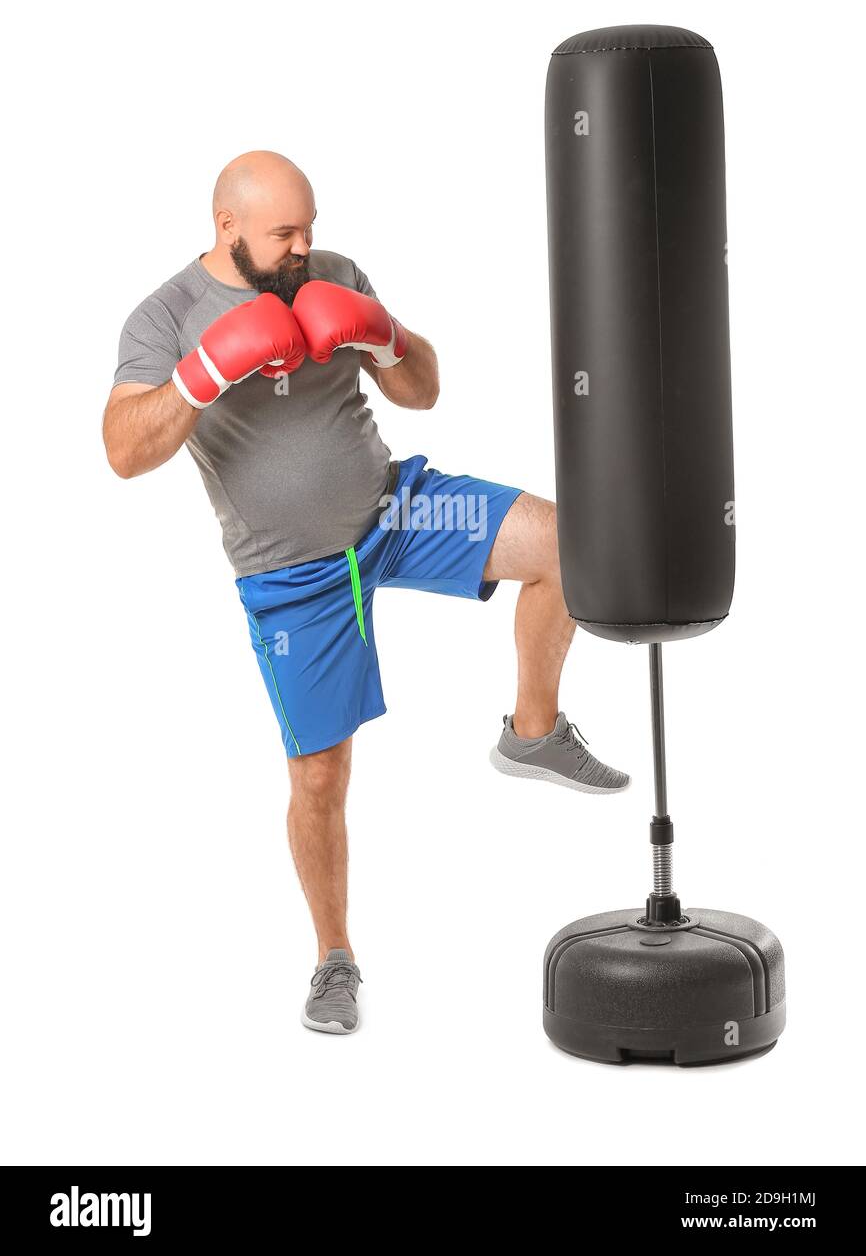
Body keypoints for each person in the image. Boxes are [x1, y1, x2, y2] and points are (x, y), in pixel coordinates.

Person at [103, 149, 630, 1035]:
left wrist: (382, 334)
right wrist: (201, 374)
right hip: (292, 575)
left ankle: (532, 732)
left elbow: (422, 390)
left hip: (398, 506)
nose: (304, 247)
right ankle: (334, 961)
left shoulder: (331, 274)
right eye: (284, 235)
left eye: (310, 227)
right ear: (226, 227)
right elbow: (122, 449)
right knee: (320, 779)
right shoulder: (168, 315)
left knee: (576, 546)